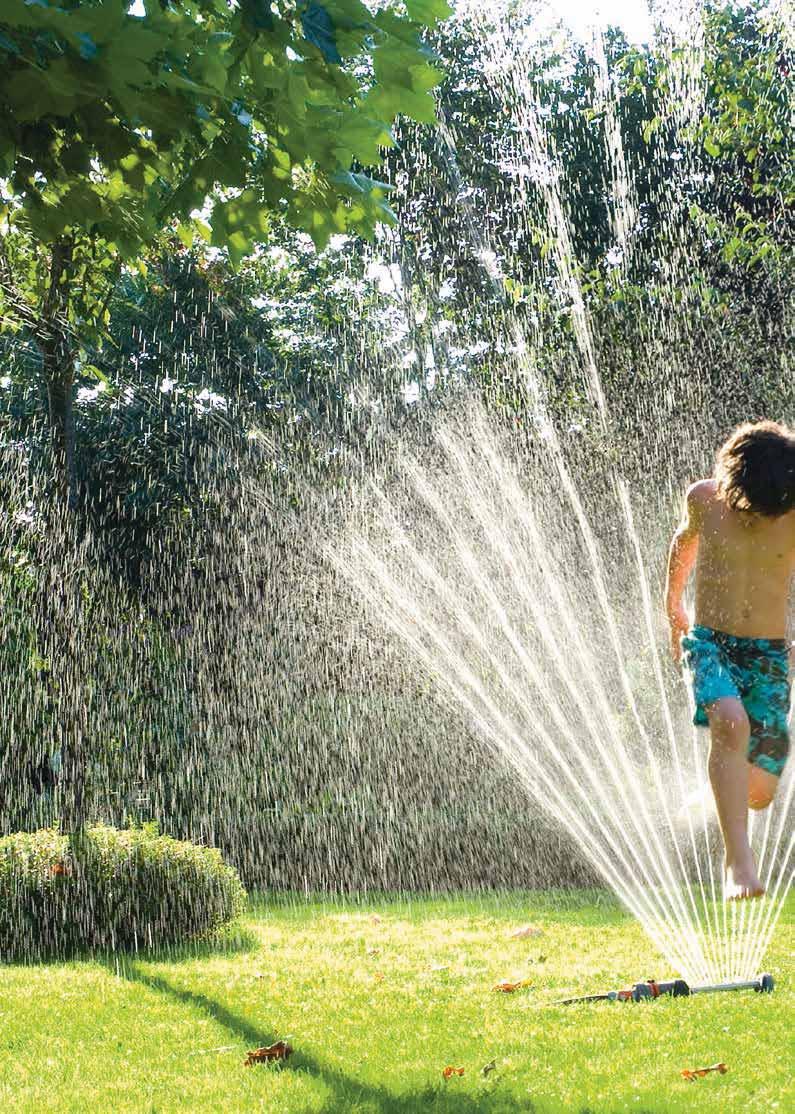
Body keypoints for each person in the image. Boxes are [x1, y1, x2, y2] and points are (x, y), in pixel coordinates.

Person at [665, 420, 795, 900]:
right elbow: (685, 542)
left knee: (760, 793)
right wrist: (672, 602)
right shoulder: (704, 499)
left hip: (768, 655)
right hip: (710, 642)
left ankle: (723, 793)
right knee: (731, 723)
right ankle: (737, 865)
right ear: (732, 484)